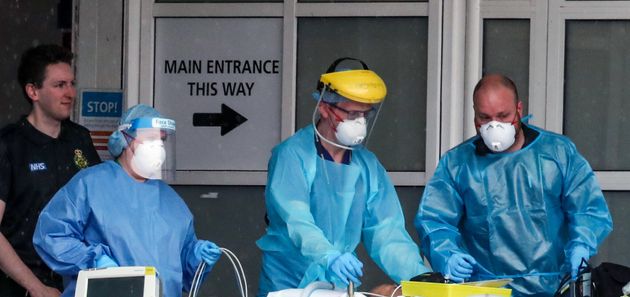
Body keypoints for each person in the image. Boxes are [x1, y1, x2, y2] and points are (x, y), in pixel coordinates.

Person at [415, 74, 613, 296]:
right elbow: (434, 220)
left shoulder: (558, 154)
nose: (494, 126)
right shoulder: (458, 164)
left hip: (554, 288)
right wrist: (447, 254)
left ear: (519, 110)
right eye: (485, 117)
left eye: (503, 115)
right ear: (474, 118)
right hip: (487, 291)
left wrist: (582, 245)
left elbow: (588, 209)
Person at [256, 57, 429, 297]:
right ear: (325, 108)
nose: (360, 122)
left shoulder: (366, 166)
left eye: (365, 115)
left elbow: (386, 232)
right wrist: (328, 256)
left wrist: (420, 279)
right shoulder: (292, 156)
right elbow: (297, 221)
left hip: (338, 286)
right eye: (352, 114)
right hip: (288, 283)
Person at [32, 104, 222, 297]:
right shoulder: (91, 185)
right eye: (149, 138)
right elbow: (51, 234)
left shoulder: (172, 202)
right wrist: (94, 260)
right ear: (124, 139)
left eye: (161, 140)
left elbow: (182, 274)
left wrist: (197, 258)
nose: (158, 147)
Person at [0, 44, 101, 297]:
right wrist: (35, 287)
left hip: (78, 282)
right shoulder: (9, 144)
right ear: (33, 91)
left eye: (71, 83)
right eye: (59, 85)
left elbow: (104, 208)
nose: (70, 93)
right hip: (21, 286)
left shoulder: (80, 139)